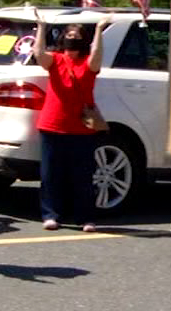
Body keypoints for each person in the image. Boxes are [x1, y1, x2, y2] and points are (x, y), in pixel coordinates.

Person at [32, 13, 112, 232]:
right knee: (50, 174)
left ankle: (85, 217)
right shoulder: (56, 60)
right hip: (52, 124)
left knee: (83, 175)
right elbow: (39, 54)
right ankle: (50, 215)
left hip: (82, 127)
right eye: (69, 34)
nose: (72, 38)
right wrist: (41, 27)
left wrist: (99, 29)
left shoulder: (88, 63)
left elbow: (97, 54)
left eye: (77, 35)